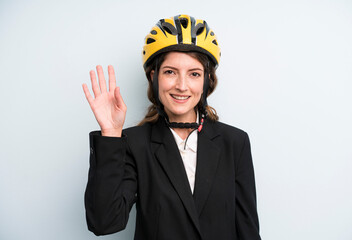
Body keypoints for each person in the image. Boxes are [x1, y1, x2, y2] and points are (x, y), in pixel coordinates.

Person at [83, 14, 261, 240]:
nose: (182, 85)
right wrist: (110, 134)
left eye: (194, 74)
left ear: (207, 80)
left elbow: (248, 230)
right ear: (154, 77)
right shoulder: (133, 143)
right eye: (170, 72)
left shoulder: (235, 142)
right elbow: (104, 222)